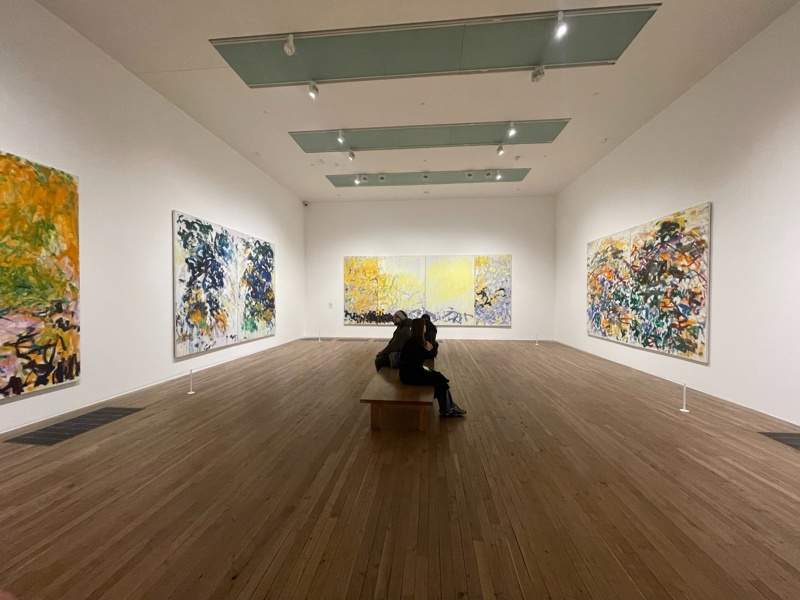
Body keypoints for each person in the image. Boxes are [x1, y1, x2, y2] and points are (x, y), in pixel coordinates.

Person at [400, 318, 466, 417]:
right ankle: (448, 408)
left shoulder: (413, 341)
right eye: (424, 326)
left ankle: (449, 407)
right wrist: (433, 347)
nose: (426, 327)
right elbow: (429, 355)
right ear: (420, 328)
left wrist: (430, 347)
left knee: (438, 378)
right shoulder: (415, 343)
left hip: (410, 372)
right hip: (411, 375)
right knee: (439, 379)